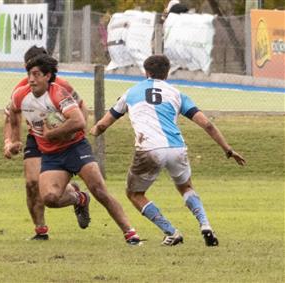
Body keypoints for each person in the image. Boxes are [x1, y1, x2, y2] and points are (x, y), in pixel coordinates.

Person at [90, 55, 246, 246]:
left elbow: (103, 125)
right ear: (167, 73)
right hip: (176, 148)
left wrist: (92, 130)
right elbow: (207, 125)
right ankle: (205, 225)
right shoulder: (177, 94)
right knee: (186, 187)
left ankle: (171, 231)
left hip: (149, 148)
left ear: (146, 72)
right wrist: (228, 150)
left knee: (134, 194)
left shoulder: (130, 93)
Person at [7, 54, 142, 245]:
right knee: (50, 198)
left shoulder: (58, 94)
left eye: (36, 74)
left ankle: (131, 234)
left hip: (75, 148)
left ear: (47, 76)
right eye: (29, 74)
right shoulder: (21, 95)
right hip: (51, 155)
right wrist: (13, 140)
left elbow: (79, 121)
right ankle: (79, 198)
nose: (31, 79)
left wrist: (52, 134)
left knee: (99, 190)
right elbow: (13, 111)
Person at [3, 45, 89, 241]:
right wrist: (9, 142)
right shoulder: (20, 89)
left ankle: (78, 197)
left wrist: (75, 134)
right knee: (32, 183)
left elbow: (82, 109)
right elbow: (9, 118)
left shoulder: (62, 86)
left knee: (48, 191)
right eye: (30, 70)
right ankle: (40, 230)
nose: (33, 75)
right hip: (37, 136)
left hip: (63, 138)